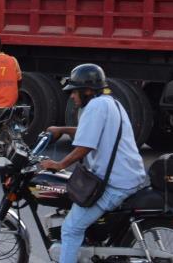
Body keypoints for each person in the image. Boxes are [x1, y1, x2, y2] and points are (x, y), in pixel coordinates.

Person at [39, 64, 147, 263]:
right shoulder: (110, 102)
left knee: (70, 229)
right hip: (130, 176)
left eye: (74, 92)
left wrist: (58, 165)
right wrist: (62, 129)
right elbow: (89, 131)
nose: (71, 97)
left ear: (87, 91)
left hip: (115, 183)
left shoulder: (95, 107)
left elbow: (84, 146)